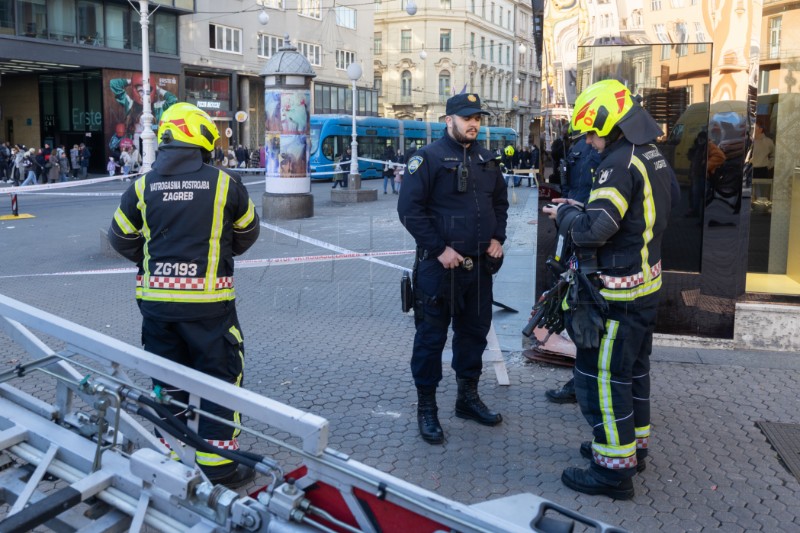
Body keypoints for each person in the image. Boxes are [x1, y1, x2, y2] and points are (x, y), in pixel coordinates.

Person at [107, 102, 260, 488]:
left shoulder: (142, 185)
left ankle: (173, 459)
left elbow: (121, 237)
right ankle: (219, 467)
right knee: (219, 380)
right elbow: (248, 231)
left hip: (157, 310)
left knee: (168, 383)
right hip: (210, 311)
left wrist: (152, 264)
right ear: (202, 139)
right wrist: (219, 253)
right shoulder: (226, 184)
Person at [542, 79, 677, 500]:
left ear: (609, 123)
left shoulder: (617, 163)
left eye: (592, 134)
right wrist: (585, 208)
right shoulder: (650, 154)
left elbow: (596, 229)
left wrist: (563, 217)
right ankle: (631, 448)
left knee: (601, 381)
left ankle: (612, 472)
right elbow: (641, 211)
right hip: (644, 288)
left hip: (614, 297)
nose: (590, 143)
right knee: (633, 374)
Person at [397, 93, 508, 445]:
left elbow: (500, 203)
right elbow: (409, 210)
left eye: (477, 117)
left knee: (473, 334)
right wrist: (438, 248)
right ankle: (426, 408)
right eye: (466, 118)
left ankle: (467, 398)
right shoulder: (426, 158)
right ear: (448, 120)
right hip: (439, 268)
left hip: (478, 268)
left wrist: (497, 238)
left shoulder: (488, 160)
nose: (473, 123)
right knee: (431, 340)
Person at [544, 131, 602, 404]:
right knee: (575, 313)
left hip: (595, 244)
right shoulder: (579, 145)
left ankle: (587, 384)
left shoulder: (617, 154)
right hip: (573, 233)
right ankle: (583, 379)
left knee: (587, 317)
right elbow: (568, 184)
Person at [752, 124, 775, 203]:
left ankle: (760, 208)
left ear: (760, 129)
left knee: (761, 193)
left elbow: (774, 155)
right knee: (748, 190)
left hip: (762, 169)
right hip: (749, 169)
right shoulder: (749, 140)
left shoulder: (768, 141)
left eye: (755, 127)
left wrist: (768, 166)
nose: (752, 128)